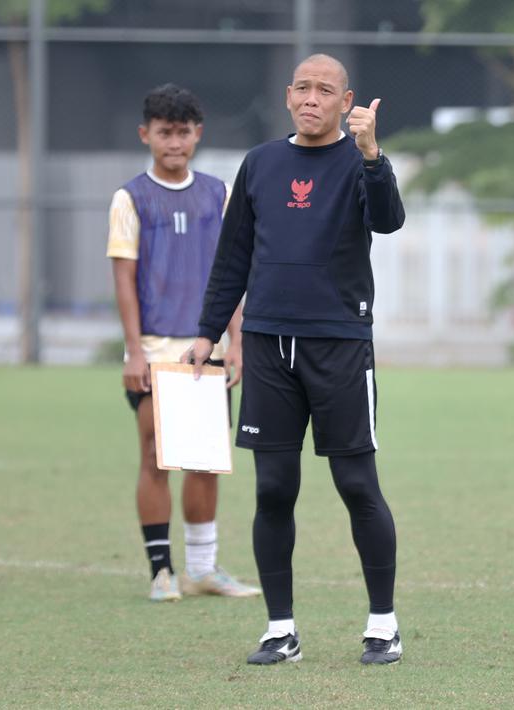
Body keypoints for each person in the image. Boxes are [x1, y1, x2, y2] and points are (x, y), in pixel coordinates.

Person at [182, 54, 406, 666]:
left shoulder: (362, 161)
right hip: (266, 345)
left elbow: (388, 222)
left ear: (346, 99)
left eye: (325, 90)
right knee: (274, 489)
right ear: (287, 96)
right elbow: (233, 258)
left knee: (357, 483)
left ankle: (383, 624)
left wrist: (372, 156)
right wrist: (207, 333)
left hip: (339, 344)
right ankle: (280, 630)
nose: (312, 98)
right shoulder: (260, 164)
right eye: (303, 88)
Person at [107, 83, 259, 603]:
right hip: (154, 349)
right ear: (146, 134)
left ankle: (203, 569)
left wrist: (235, 341)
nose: (174, 142)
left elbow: (234, 272)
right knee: (153, 454)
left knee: (205, 459)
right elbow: (124, 278)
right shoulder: (130, 198)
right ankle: (160, 572)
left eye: (184, 132)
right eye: (164, 132)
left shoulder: (218, 193)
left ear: (198, 134)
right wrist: (132, 350)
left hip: (207, 349)